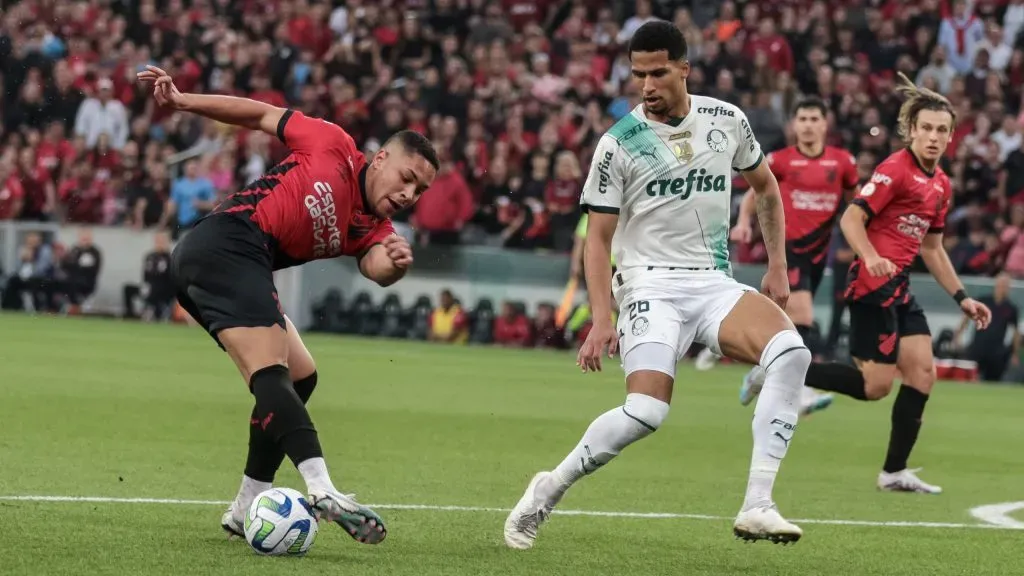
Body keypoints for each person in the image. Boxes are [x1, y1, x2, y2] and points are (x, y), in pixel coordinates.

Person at [504, 21, 810, 549]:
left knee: (791, 354)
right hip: (648, 286)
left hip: (713, 282)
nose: (646, 84)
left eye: (658, 72)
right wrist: (602, 318)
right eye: (638, 73)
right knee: (647, 413)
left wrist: (778, 266)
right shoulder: (618, 144)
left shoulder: (725, 120)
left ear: (684, 68)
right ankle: (547, 489)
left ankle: (758, 504)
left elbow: (766, 187)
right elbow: (596, 241)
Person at [136, 65, 439, 544]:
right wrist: (183, 101)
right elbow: (260, 115)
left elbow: (377, 268)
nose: (408, 193)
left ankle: (244, 507)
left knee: (301, 376)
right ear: (380, 159)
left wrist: (396, 267)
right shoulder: (332, 143)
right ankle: (322, 488)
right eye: (407, 178)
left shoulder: (375, 231)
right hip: (226, 243)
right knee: (273, 372)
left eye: (419, 190)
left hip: (243, 265)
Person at [741, 73, 992, 494]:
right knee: (875, 387)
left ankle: (894, 472)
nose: (932, 136)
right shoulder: (895, 169)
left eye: (941, 130)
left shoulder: (941, 185)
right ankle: (779, 370)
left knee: (923, 374)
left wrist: (962, 297)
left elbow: (932, 248)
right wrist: (870, 256)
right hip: (871, 288)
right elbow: (851, 217)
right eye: (926, 128)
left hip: (901, 289)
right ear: (912, 130)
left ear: (951, 137)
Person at [728, 97, 860, 415]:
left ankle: (761, 373)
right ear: (794, 125)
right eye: (803, 119)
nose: (809, 125)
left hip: (818, 254)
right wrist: (744, 221)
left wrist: (862, 243)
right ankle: (799, 392)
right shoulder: (781, 160)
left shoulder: (842, 163)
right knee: (802, 316)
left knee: (788, 322)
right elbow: (755, 191)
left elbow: (855, 206)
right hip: (787, 250)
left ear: (825, 125)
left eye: (815, 118)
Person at [955, 272, 1019, 381]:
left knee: (993, 380)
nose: (1003, 287)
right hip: (977, 346)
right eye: (1001, 284)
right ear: (996, 284)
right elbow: (966, 318)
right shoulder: (983, 301)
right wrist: (958, 335)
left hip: (996, 351)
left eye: (1006, 285)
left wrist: (1014, 353)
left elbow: (1015, 332)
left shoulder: (1011, 308)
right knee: (970, 377)